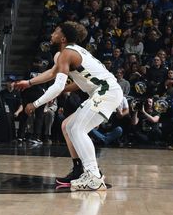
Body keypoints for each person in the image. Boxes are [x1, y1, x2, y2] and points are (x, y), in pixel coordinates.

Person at [16, 21, 123, 191]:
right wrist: (29, 82)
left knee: (77, 129)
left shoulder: (67, 53)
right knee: (68, 126)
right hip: (103, 91)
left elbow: (58, 86)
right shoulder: (72, 52)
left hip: (106, 92)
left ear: (63, 37)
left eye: (56, 31)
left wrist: (35, 104)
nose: (52, 33)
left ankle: (94, 175)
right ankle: (81, 169)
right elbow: (55, 75)